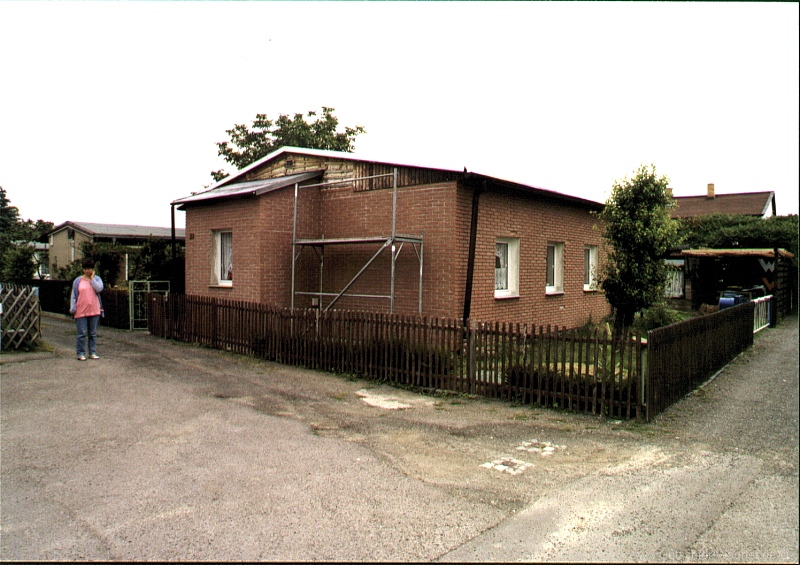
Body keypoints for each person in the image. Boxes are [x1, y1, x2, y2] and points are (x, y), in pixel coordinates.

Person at [70, 258, 104, 361]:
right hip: (81, 310)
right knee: (81, 333)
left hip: (94, 310)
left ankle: (92, 352)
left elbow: (99, 289)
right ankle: (80, 353)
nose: (87, 271)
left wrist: (92, 279)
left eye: (89, 268)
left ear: (92, 269)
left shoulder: (97, 279)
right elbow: (74, 295)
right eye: (85, 268)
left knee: (92, 333)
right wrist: (73, 307)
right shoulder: (78, 281)